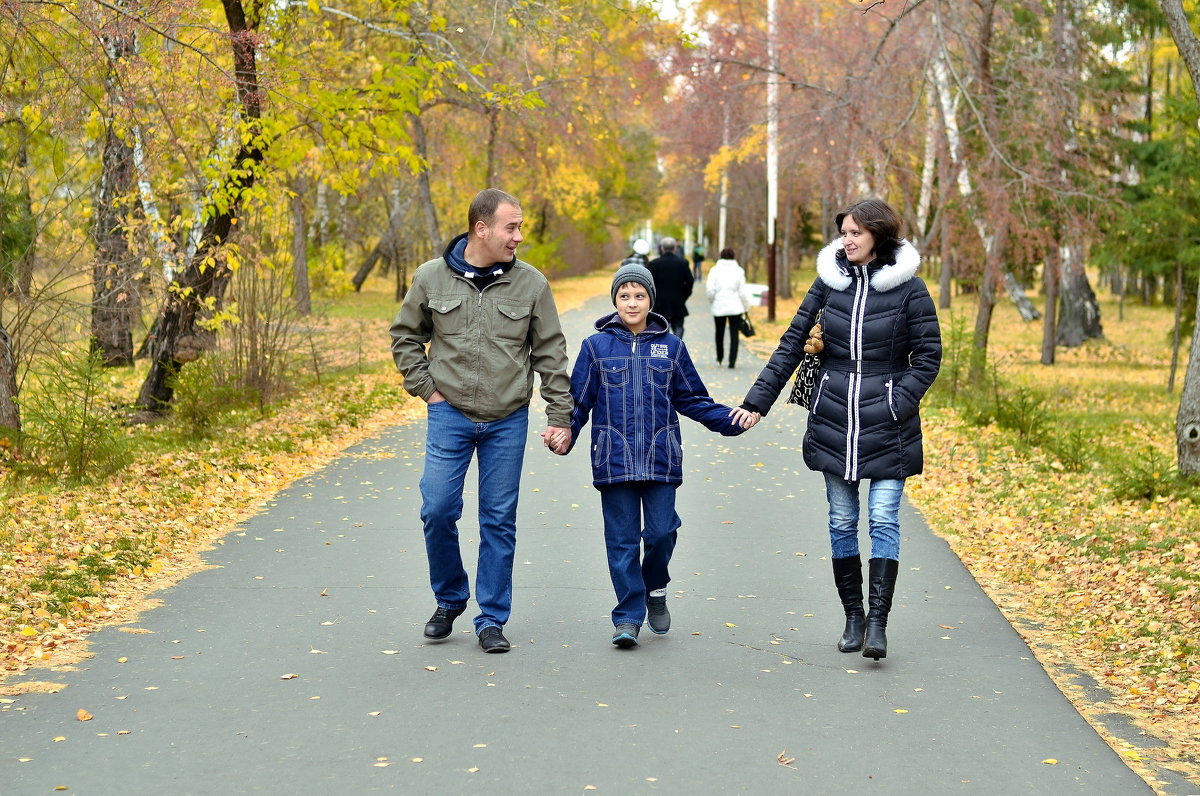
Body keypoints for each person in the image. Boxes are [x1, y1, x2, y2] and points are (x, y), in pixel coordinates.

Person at [731, 198, 941, 661]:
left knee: (883, 516)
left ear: (878, 236)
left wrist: (895, 399)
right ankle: (853, 618)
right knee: (842, 520)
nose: (846, 240)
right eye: (843, 232)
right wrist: (756, 403)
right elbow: (791, 344)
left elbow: (928, 358)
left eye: (854, 233)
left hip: (890, 424)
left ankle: (879, 625)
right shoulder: (828, 285)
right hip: (834, 420)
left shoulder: (910, 290)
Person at [390, 188, 573, 654]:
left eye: (521, 227)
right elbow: (406, 338)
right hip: (448, 414)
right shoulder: (431, 278)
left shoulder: (532, 284)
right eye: (512, 227)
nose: (519, 236)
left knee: (497, 520)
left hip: (507, 419)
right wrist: (428, 391)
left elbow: (551, 353)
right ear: (482, 228)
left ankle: (491, 617)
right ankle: (450, 598)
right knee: (436, 509)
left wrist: (560, 416)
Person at [549, 262, 752, 648]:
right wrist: (565, 433)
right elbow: (579, 402)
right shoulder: (596, 347)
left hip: (661, 457)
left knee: (661, 533)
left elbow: (693, 399)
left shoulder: (671, 347)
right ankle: (627, 616)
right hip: (614, 458)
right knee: (622, 541)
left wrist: (731, 419)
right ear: (614, 301)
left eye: (638, 295)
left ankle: (655, 586)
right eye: (624, 296)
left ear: (650, 300)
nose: (631, 302)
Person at [705, 247, 753, 369]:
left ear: (721, 256)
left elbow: (710, 290)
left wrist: (712, 301)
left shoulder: (714, 270)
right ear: (733, 257)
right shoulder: (739, 271)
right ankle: (732, 361)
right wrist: (746, 306)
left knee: (719, 333)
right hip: (735, 306)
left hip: (719, 305)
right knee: (734, 334)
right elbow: (742, 291)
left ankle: (719, 358)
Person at [646, 237, 694, 338]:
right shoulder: (683, 263)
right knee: (678, 328)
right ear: (675, 248)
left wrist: (652, 298)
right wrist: (684, 296)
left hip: (659, 303)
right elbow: (690, 281)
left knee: (660, 330)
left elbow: (647, 284)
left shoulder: (654, 264)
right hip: (678, 303)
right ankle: (676, 346)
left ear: (662, 248)